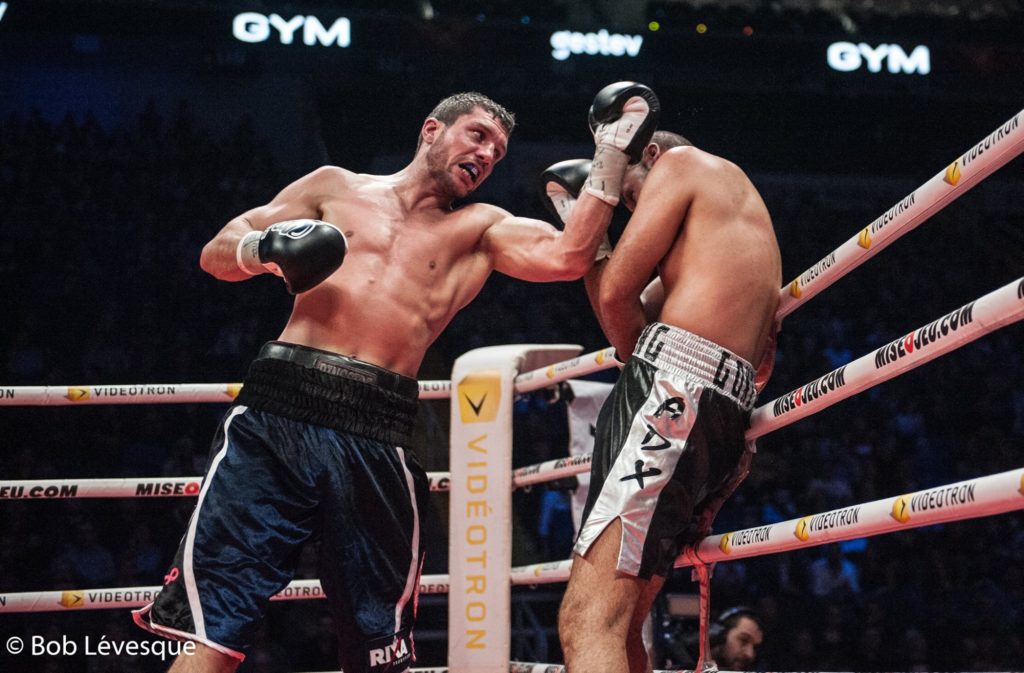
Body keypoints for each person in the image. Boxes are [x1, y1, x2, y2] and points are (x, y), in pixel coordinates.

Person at [132, 84, 659, 673]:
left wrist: (610, 153)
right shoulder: (333, 186)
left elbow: (568, 257)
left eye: (498, 152)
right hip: (277, 407)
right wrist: (263, 248)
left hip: (376, 425)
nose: (487, 155)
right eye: (478, 136)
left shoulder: (481, 228)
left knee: (377, 647)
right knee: (216, 624)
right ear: (432, 130)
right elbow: (217, 252)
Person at [557, 130, 782, 673]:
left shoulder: (681, 163)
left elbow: (618, 306)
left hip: (674, 395)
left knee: (588, 620)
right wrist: (593, 247)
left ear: (650, 156)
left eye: (634, 197)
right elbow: (627, 329)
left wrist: (598, 208)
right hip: (709, 410)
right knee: (624, 623)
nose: (638, 212)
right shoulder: (713, 240)